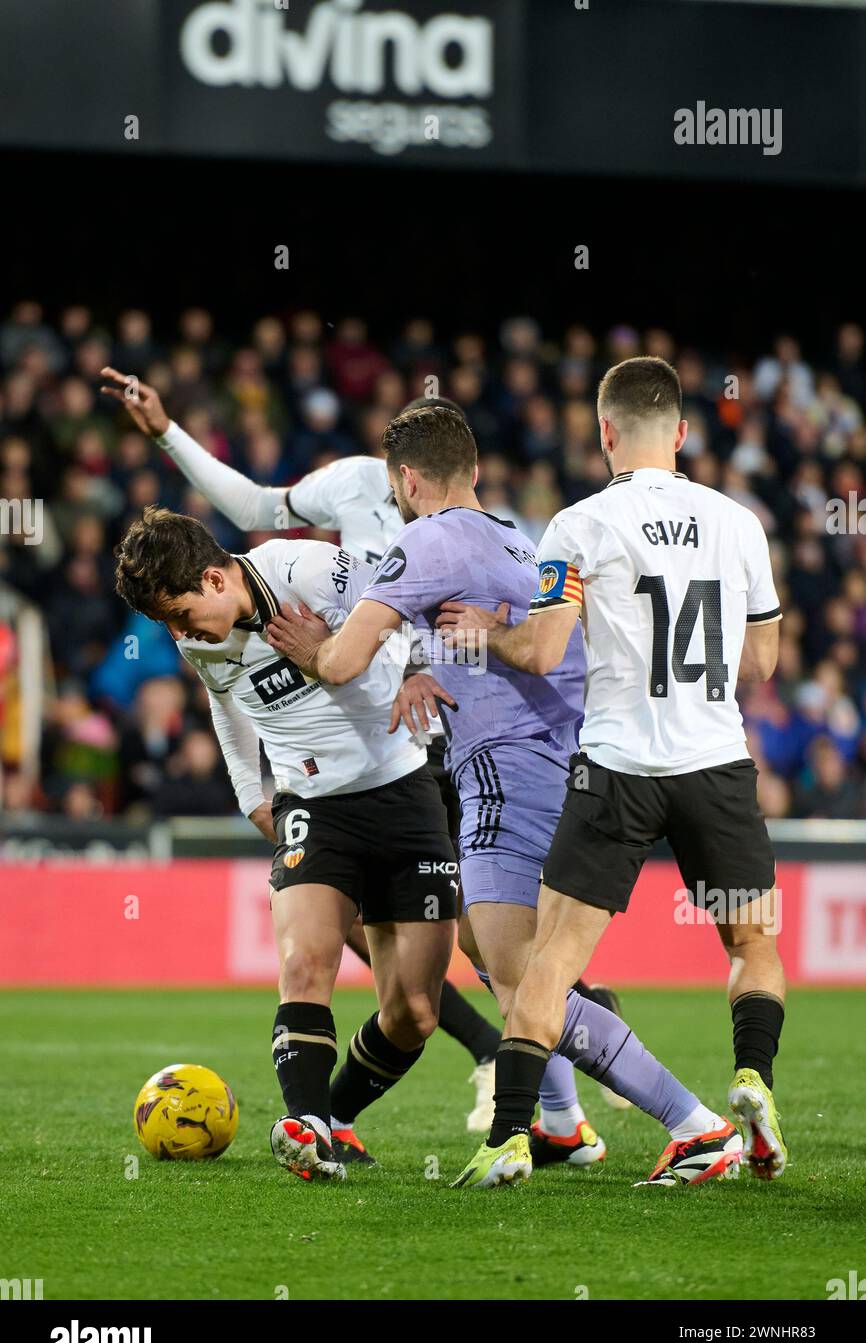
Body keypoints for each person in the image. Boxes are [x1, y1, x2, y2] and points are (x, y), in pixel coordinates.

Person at [101, 365, 616, 1143]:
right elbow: (255, 509)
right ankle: (330, 1120)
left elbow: (410, 615)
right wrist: (168, 432)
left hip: (428, 742)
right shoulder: (342, 488)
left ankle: (561, 1072)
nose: (405, 481)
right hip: (337, 775)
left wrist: (411, 666)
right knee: (347, 958)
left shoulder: (417, 541)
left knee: (477, 955)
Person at [265, 404, 741, 1187]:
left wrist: (315, 649)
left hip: (507, 773)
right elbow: (508, 642)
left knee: (524, 974)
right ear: (476, 471)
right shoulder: (517, 537)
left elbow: (345, 662)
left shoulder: (427, 539)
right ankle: (561, 1123)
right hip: (568, 761)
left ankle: (696, 1126)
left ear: (407, 480)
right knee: (487, 951)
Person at [440, 356, 787, 1186]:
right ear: (682, 433)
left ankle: (513, 1138)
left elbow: (541, 650)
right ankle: (753, 1080)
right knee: (751, 943)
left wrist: (484, 631)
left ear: (604, 433)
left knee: (551, 961)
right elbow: (764, 662)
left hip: (619, 768)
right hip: (715, 764)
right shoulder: (739, 521)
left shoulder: (578, 525)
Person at [114, 506, 459, 1181]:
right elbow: (226, 702)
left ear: (216, 579)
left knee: (415, 1011)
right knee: (305, 964)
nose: (180, 635)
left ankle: (331, 1116)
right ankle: (307, 1129)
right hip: (313, 805)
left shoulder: (304, 568)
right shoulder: (198, 637)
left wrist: (414, 666)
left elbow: (404, 597)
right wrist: (252, 795)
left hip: (403, 786)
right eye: (167, 626)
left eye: (181, 616)